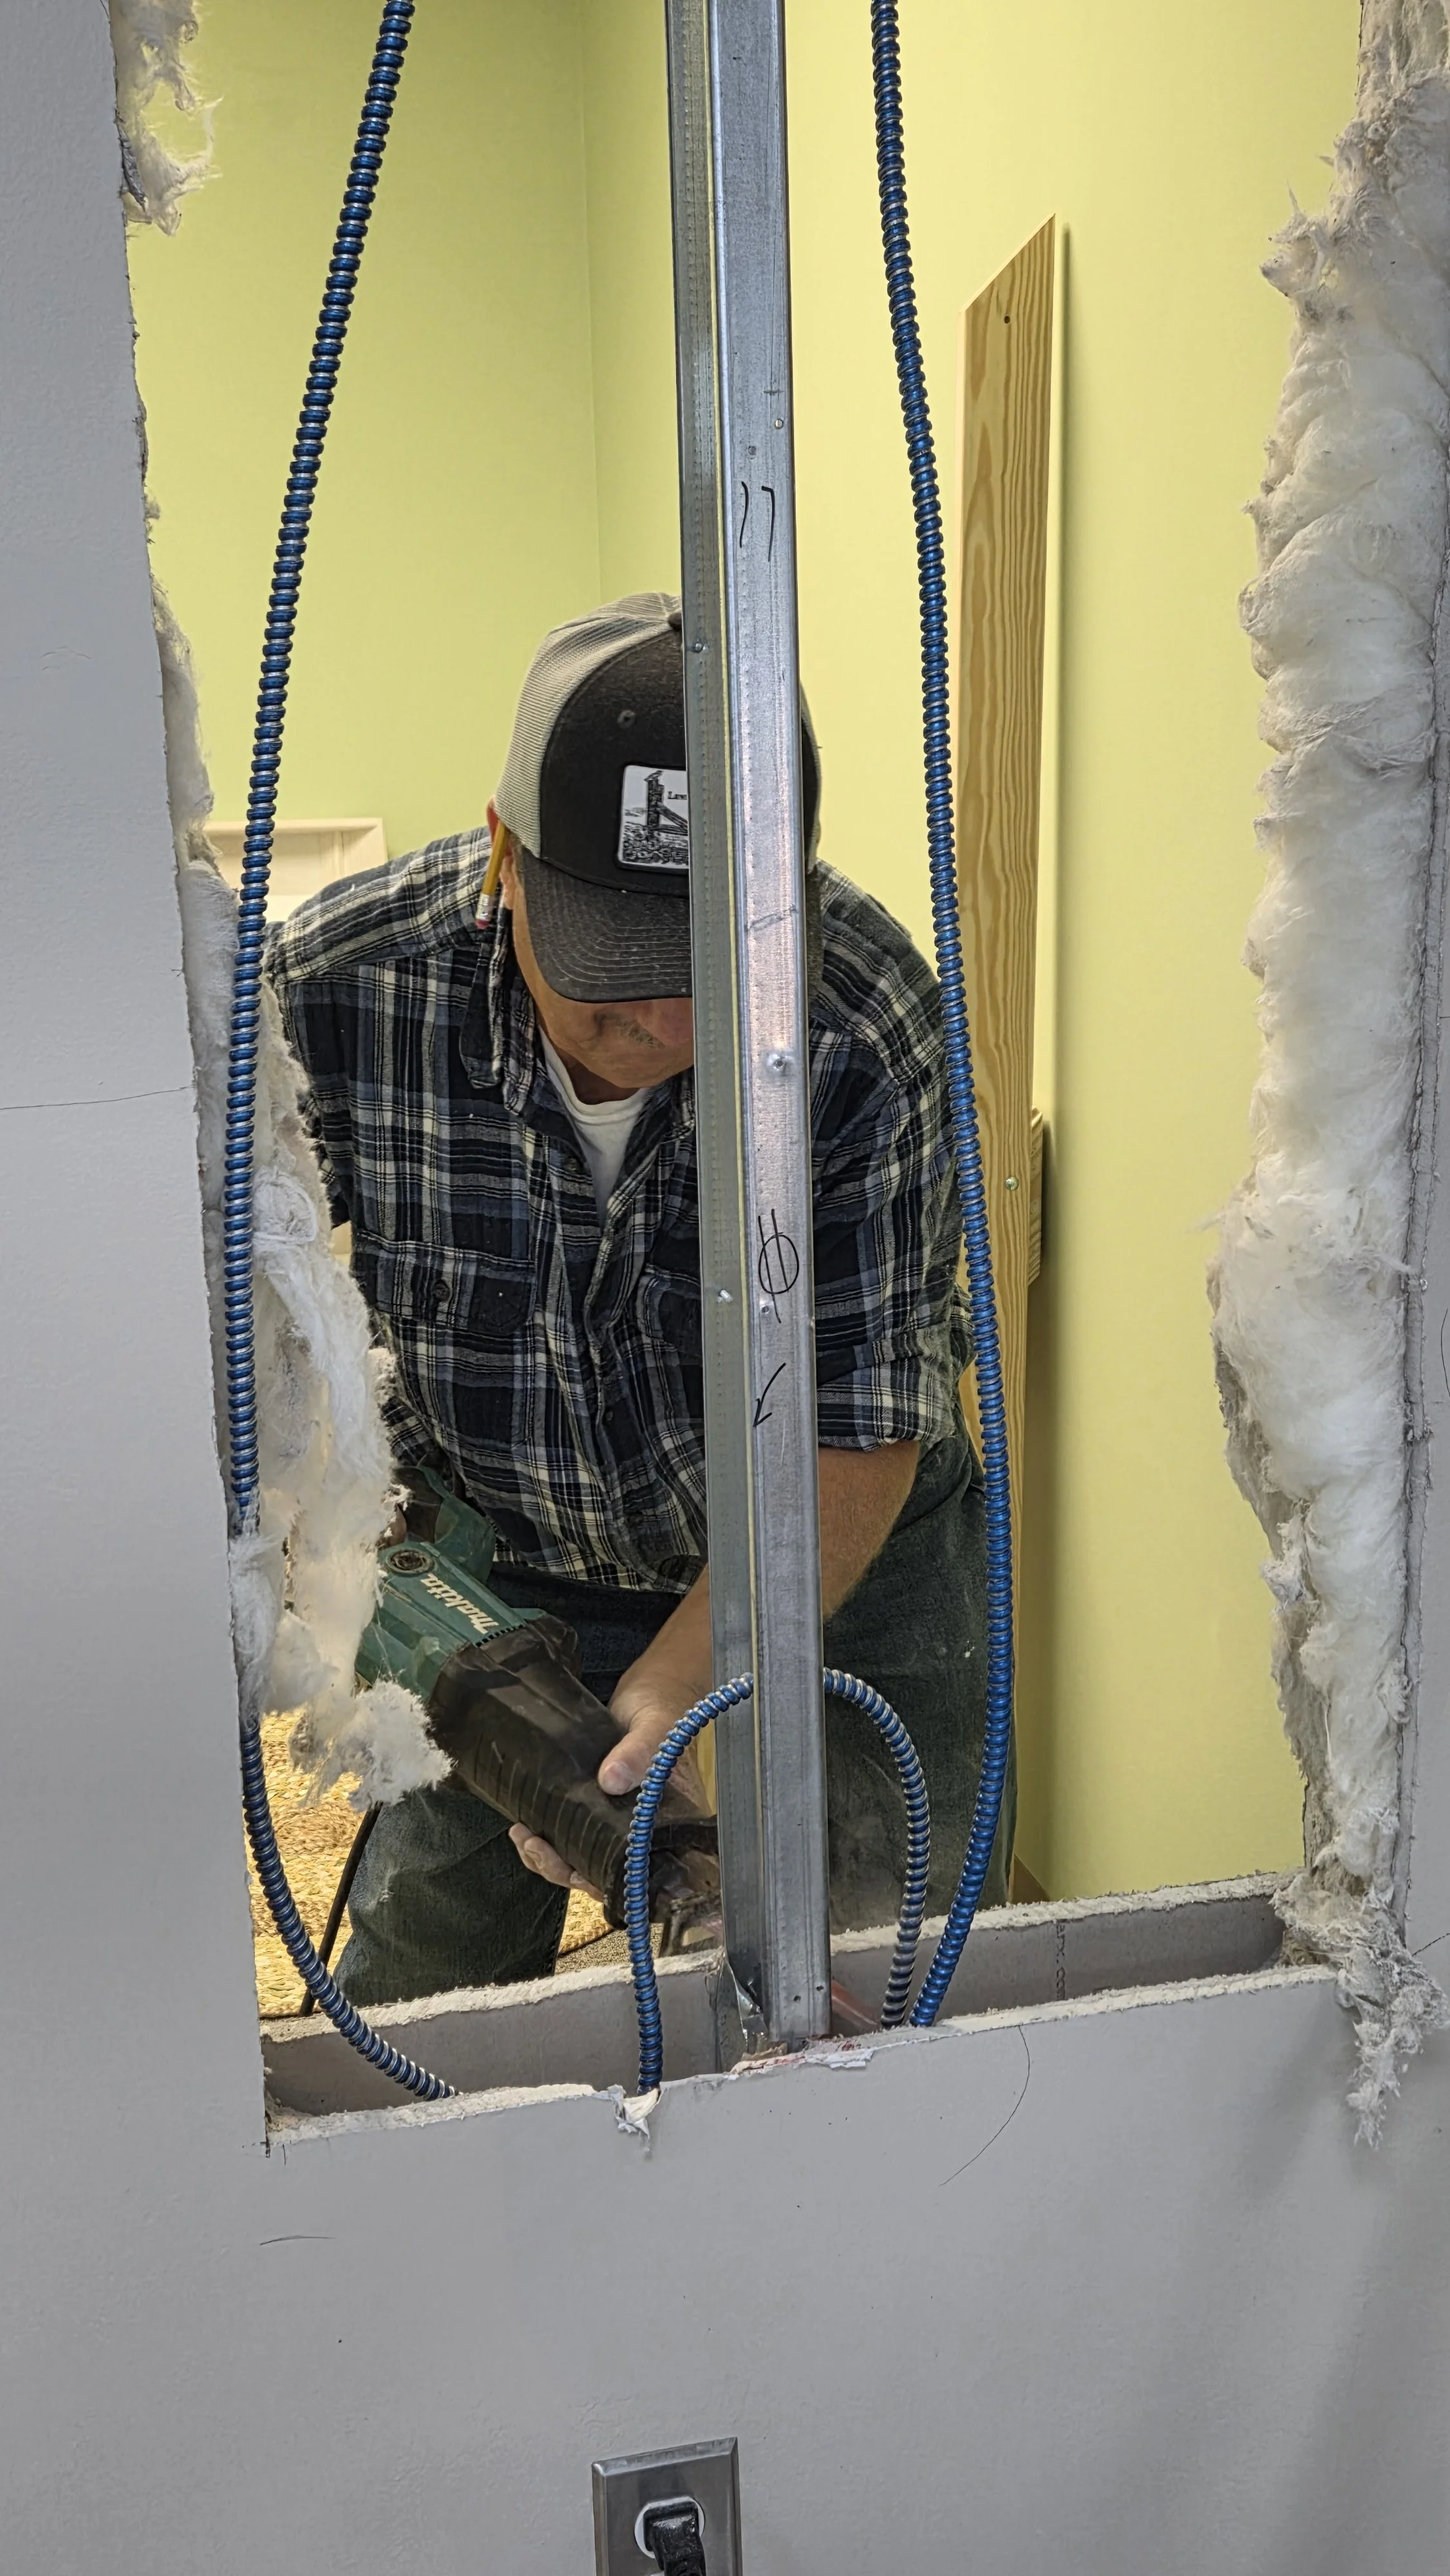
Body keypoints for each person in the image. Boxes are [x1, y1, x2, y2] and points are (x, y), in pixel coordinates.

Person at [268, 593, 1013, 2005]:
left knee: (886, 1945)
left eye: (711, 969)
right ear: (502, 857)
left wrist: (687, 1690)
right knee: (426, 1975)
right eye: (613, 980)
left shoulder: (859, 1019)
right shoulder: (342, 995)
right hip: (500, 1550)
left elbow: (854, 1423)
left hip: (829, 1554)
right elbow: (238, 1328)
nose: (667, 1027)